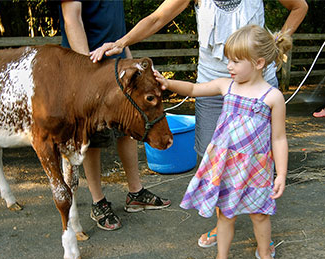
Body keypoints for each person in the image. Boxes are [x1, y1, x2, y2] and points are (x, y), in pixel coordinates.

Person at [89, 0, 307, 246]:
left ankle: (261, 228)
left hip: (258, 89)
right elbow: (157, 18)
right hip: (213, 85)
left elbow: (300, 6)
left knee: (258, 159)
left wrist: (274, 47)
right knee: (212, 158)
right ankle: (223, 223)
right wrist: (120, 43)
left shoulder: (272, 96)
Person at [155, 24, 291, 259]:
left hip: (256, 169)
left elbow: (279, 138)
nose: (229, 65)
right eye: (228, 59)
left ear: (259, 62)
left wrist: (281, 174)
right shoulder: (226, 86)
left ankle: (265, 254)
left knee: (260, 215)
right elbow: (194, 90)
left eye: (236, 61)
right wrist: (167, 82)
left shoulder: (273, 97)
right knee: (224, 213)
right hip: (225, 165)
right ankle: (220, 258)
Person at [59, 0, 171, 232]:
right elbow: (72, 19)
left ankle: (135, 192)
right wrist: (86, 71)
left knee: (128, 128)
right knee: (93, 136)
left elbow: (119, 31)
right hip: (88, 66)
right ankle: (98, 201)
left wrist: (131, 63)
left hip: (118, 64)